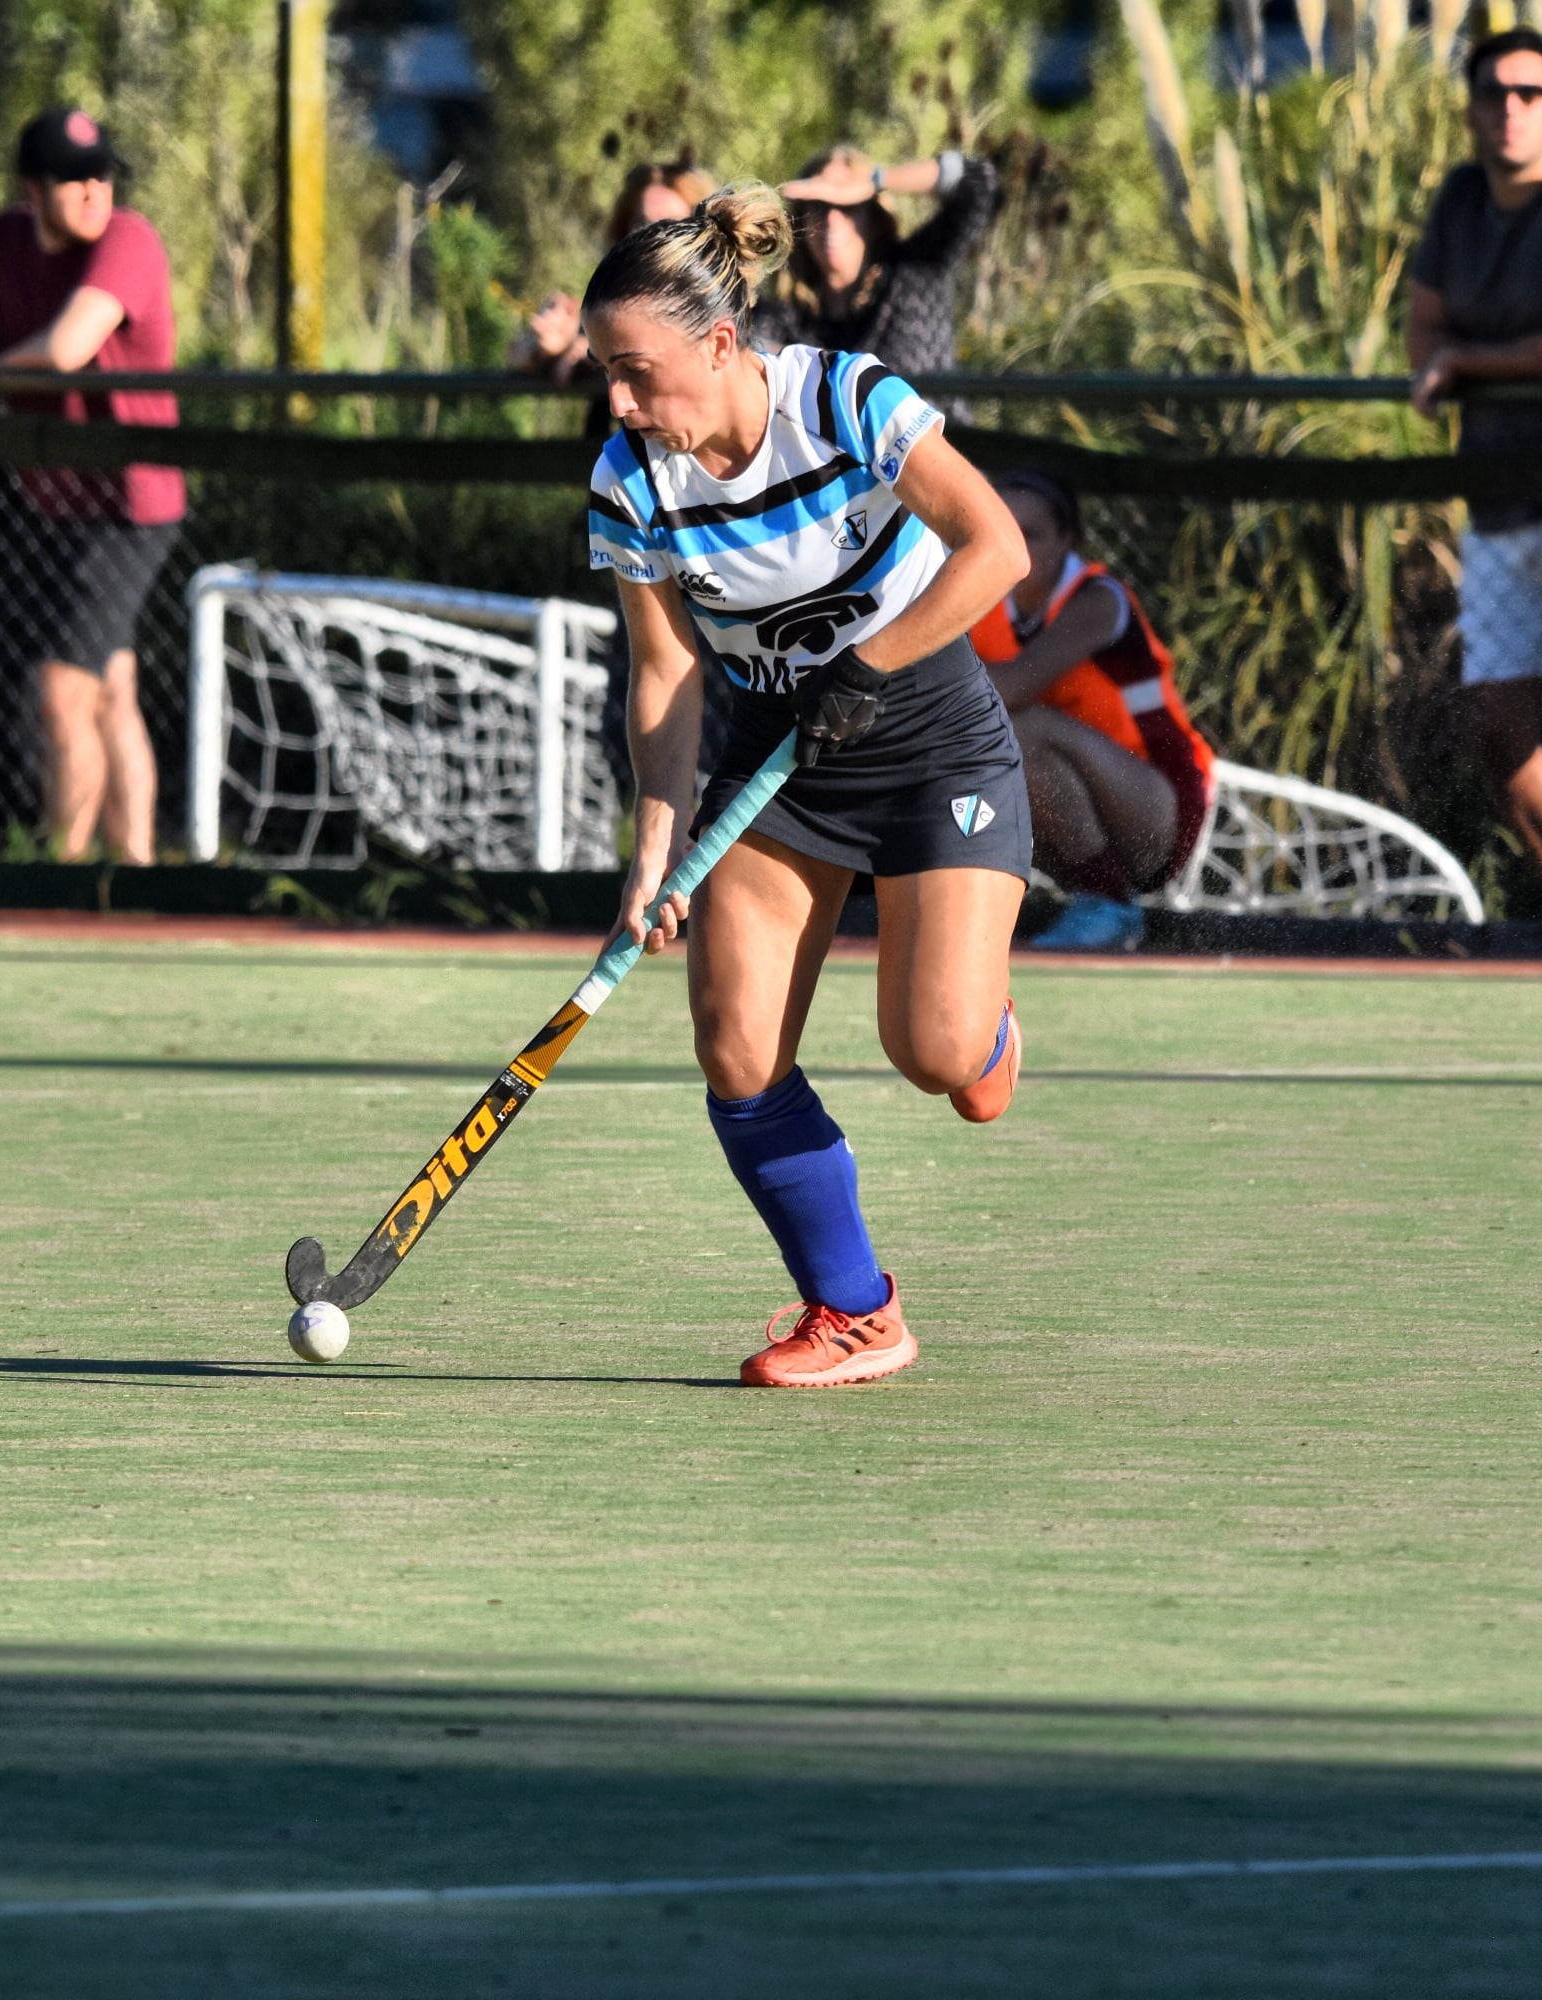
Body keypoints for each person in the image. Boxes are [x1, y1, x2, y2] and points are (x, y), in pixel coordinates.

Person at [584, 183, 1031, 1391]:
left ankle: (980, 1021)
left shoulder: (844, 398)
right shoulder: (635, 481)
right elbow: (669, 674)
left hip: (932, 737)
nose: (617, 402)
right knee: (735, 1046)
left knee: (935, 1053)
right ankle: (854, 1308)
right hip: (783, 763)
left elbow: (998, 545)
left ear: (721, 343)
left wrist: (870, 661)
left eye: (635, 371)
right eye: (603, 375)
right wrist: (654, 853)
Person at [0, 109, 183, 865]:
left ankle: (59, 883)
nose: (95, 189)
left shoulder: (130, 240)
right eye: (72, 176)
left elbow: (67, 348)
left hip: (128, 508)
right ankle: (136, 875)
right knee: (112, 692)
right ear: (32, 189)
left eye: (102, 173)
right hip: (52, 505)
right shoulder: (4, 239)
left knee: (63, 691)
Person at [1410, 26, 1542, 909]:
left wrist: (1469, 364)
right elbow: (1424, 326)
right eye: (1494, 94)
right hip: (1498, 509)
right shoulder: (1462, 198)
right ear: (1470, 113)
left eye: (1532, 94)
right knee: (1497, 727)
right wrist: (1438, 358)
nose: (1511, 109)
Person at [970, 470, 1215, 951]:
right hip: (1086, 804)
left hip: (1162, 805)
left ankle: (1109, 904)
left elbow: (1013, 685)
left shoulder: (1099, 600)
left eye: (1032, 534)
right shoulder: (987, 603)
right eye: (1003, 528)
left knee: (1017, 728)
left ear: (1068, 540)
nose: (1015, 546)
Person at [751, 144, 997, 386]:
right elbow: (742, 349)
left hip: (946, 427)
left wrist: (875, 181)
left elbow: (980, 181)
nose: (832, 219)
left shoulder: (915, 271)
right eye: (819, 206)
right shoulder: (787, 314)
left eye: (848, 207)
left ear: (873, 217)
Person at [509, 155, 718, 385]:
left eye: (671, 226)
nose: (654, 238)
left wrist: (603, 351)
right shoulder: (608, 310)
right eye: (643, 224)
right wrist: (546, 348)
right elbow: (517, 354)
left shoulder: (735, 309)